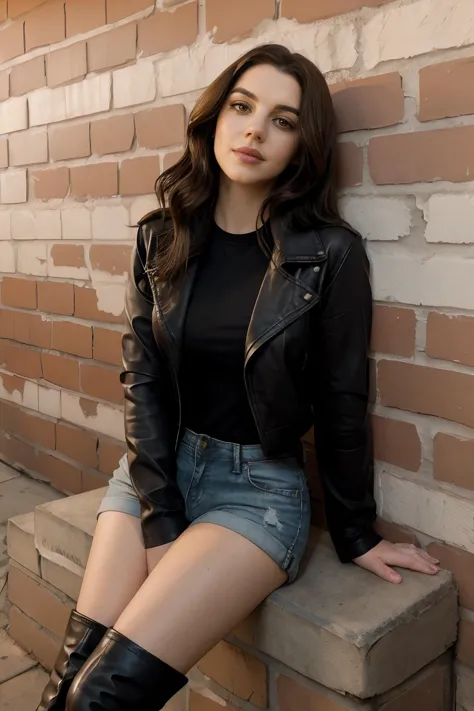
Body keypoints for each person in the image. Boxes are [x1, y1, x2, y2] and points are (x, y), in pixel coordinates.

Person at [37, 43, 440, 711]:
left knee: (98, 696)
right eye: (242, 107)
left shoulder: (330, 255)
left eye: (282, 120)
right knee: (70, 677)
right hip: (157, 471)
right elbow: (143, 383)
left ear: (302, 146)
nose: (254, 130)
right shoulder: (159, 237)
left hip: (256, 493)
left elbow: (344, 398)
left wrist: (356, 530)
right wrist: (161, 518)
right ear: (214, 118)